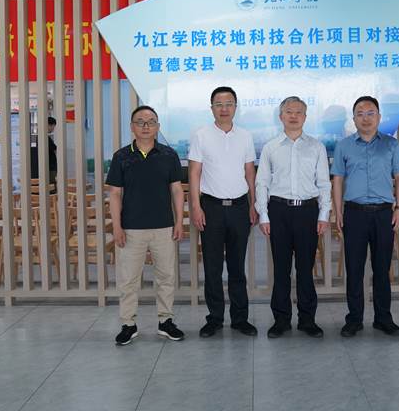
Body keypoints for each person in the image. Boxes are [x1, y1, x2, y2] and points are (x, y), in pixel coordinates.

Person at [106, 105, 185, 346]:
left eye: (151, 121)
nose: (145, 126)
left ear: (158, 127)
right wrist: (116, 227)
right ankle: (128, 324)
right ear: (132, 127)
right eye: (140, 121)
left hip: (164, 227)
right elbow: (115, 194)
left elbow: (176, 190)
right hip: (131, 228)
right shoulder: (121, 156)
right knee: (128, 279)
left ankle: (165, 321)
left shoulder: (169, 155)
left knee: (166, 276)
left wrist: (179, 221)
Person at [331, 96, 399, 338]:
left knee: (382, 269)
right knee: (354, 269)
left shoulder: (391, 145)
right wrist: (338, 211)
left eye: (370, 113)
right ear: (353, 119)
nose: (365, 118)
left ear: (379, 117)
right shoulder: (344, 146)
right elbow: (337, 180)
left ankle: (383, 318)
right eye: (360, 113)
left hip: (384, 214)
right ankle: (354, 319)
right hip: (354, 213)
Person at [255, 96, 331, 338]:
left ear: (305, 117)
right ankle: (281, 320)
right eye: (289, 111)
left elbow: (324, 183)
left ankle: (307, 320)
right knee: (281, 269)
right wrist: (263, 215)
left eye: (299, 112)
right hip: (279, 211)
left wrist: (324, 214)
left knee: (306, 269)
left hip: (308, 212)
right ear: (281, 116)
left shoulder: (316, 147)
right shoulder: (271, 147)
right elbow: (262, 183)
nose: (294, 116)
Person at [188, 86, 259, 338]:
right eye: (219, 104)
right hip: (211, 208)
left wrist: (253, 203)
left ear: (235, 107)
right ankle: (215, 319)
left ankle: (240, 319)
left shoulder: (245, 136)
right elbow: (194, 172)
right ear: (212, 108)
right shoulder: (201, 135)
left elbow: (249, 172)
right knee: (213, 267)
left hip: (239, 207)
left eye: (229, 104)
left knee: (238, 267)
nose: (224, 108)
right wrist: (195, 207)